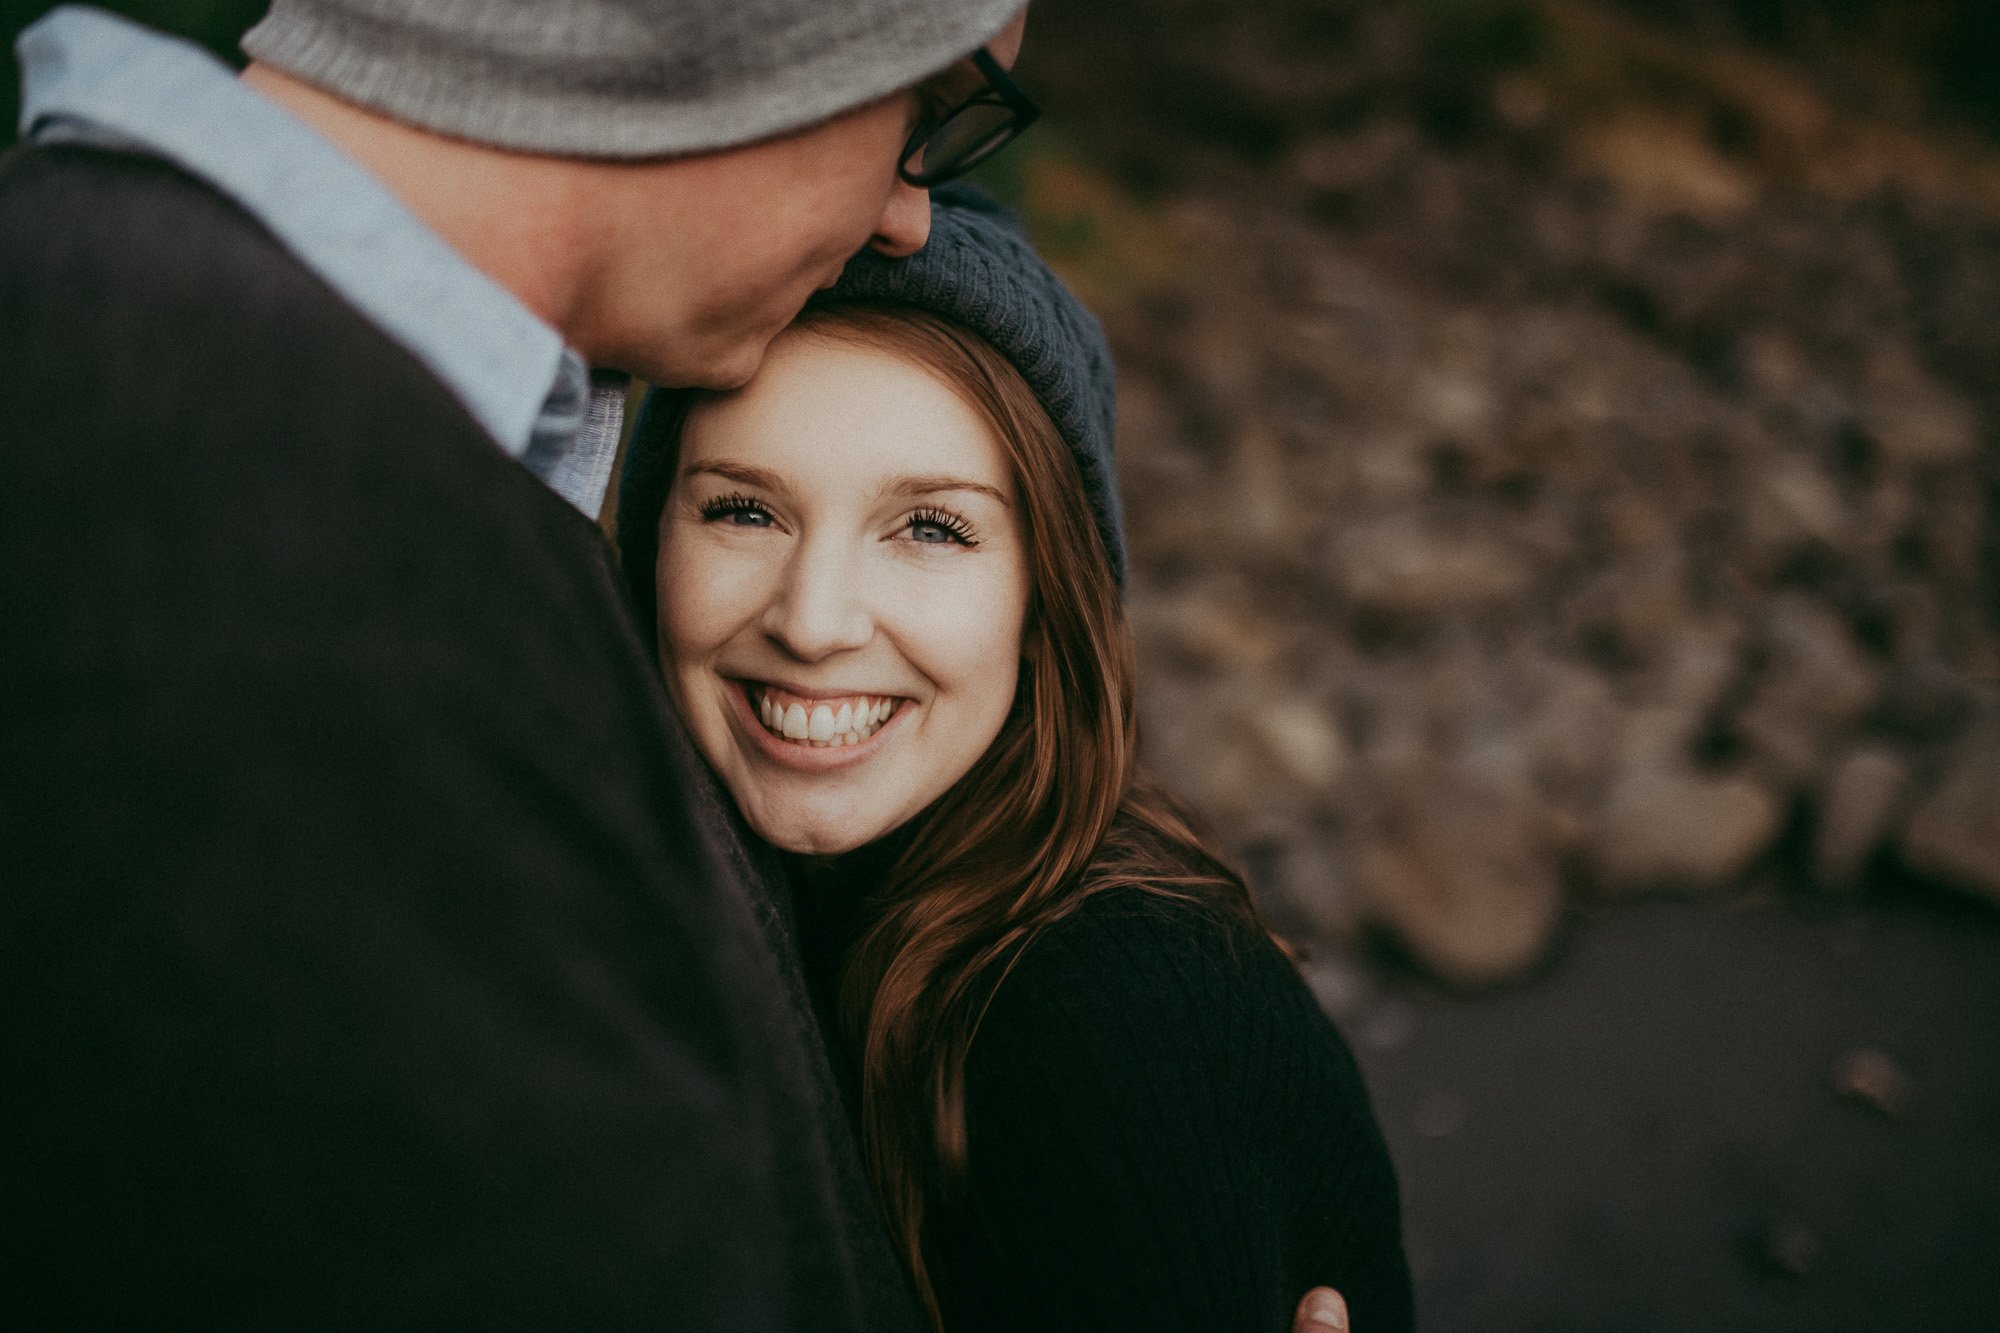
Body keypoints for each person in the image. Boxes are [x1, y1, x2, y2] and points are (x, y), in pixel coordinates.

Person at [0, 1, 1032, 1326]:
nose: (909, 216)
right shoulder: (268, 513)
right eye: (930, 105)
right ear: (750, 33)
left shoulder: (274, 429)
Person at [616, 186, 1415, 1332]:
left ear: (1047, 593)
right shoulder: (739, 892)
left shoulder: (1101, 1010)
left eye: (928, 528)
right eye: (744, 511)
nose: (814, 619)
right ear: (652, 541)